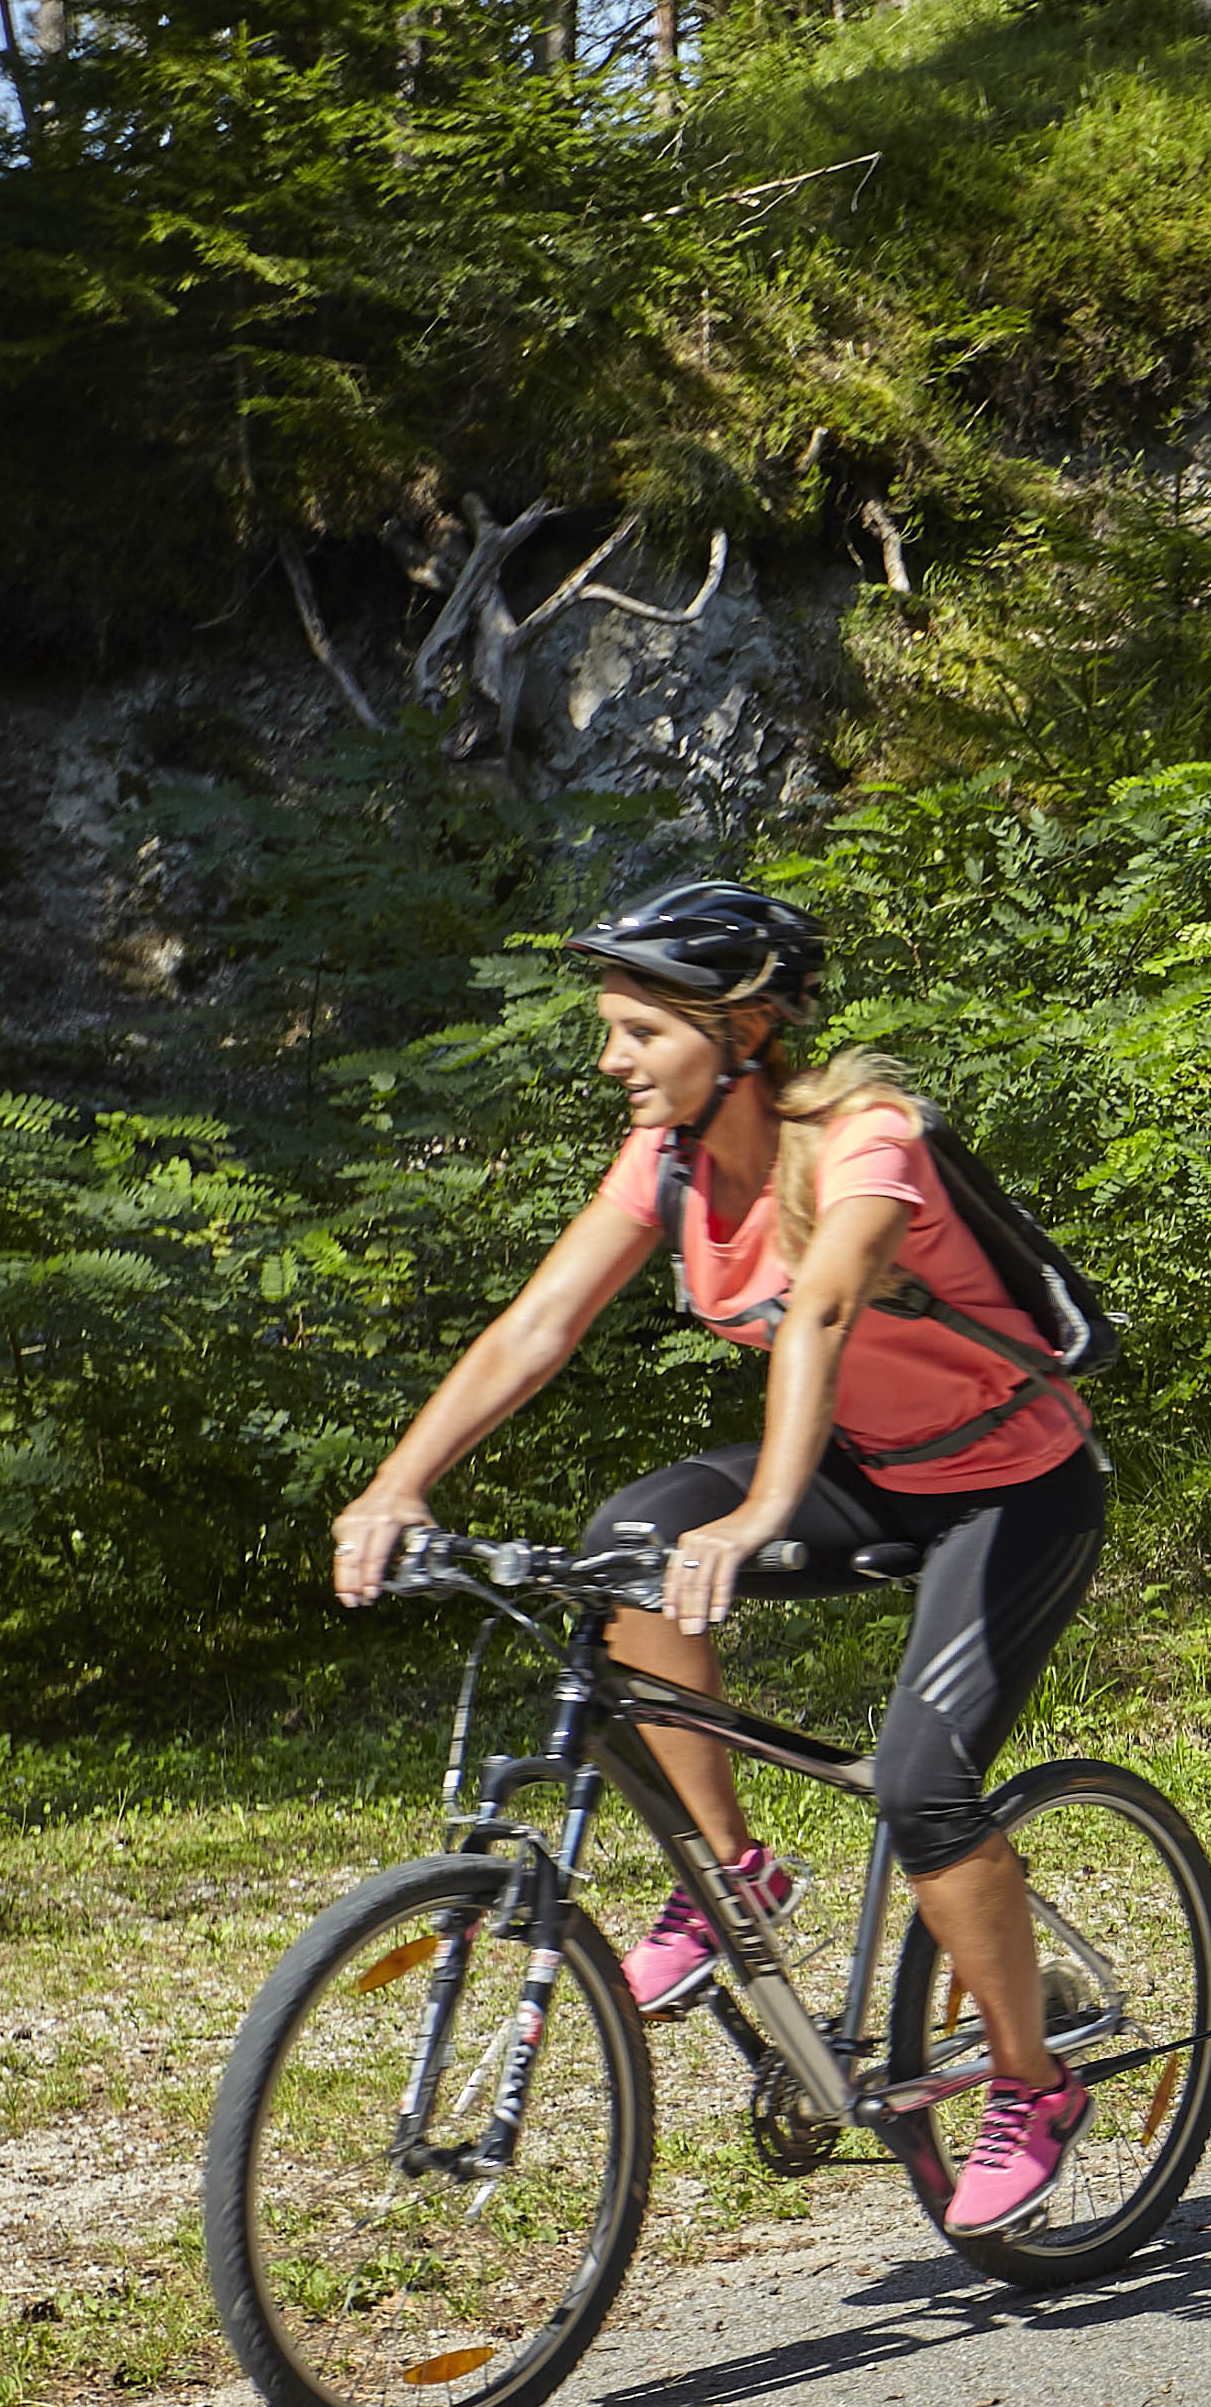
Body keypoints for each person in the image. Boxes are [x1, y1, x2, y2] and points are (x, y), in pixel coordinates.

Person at [324, 881, 1115, 2239]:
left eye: (638, 1032)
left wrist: (759, 1516)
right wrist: (398, 1483)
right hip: (871, 1469)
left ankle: (1032, 2086)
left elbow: (817, 1309)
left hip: (1010, 1486)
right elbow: (538, 1327)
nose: (611, 1062)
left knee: (925, 1790)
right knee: (625, 1545)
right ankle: (732, 1867)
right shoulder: (672, 1161)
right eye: (610, 1032)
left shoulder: (868, 1140)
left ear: (742, 1028)